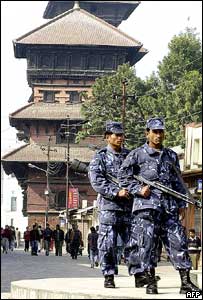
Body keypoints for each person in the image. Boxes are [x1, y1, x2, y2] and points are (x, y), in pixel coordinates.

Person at [118, 116, 201, 295]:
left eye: (161, 131)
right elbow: (123, 177)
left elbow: (178, 181)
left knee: (179, 242)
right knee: (147, 245)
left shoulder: (170, 155)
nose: (158, 135)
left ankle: (186, 283)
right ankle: (151, 282)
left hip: (169, 208)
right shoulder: (137, 154)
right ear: (147, 133)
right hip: (146, 208)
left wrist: (181, 202)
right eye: (155, 131)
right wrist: (138, 189)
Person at [88, 121, 132, 288]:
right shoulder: (100, 157)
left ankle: (138, 273)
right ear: (107, 137)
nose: (120, 138)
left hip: (129, 207)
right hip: (109, 207)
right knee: (108, 243)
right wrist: (115, 192)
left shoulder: (130, 156)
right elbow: (96, 181)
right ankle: (109, 274)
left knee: (135, 242)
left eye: (122, 135)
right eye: (116, 135)